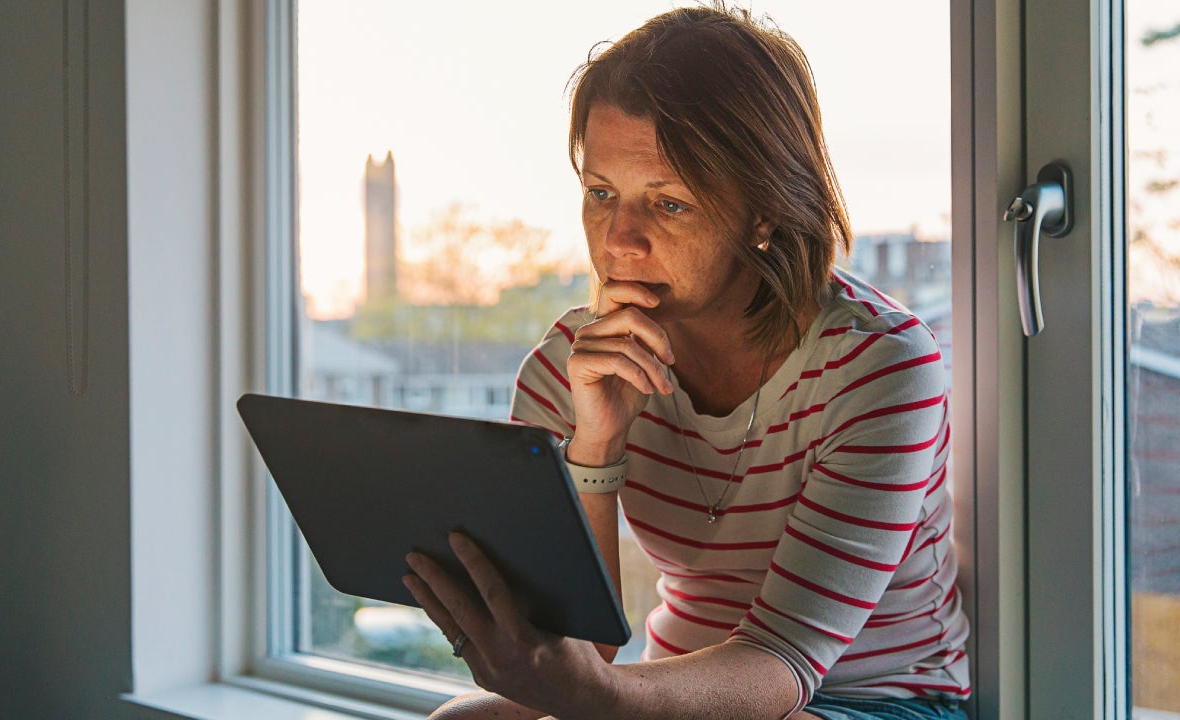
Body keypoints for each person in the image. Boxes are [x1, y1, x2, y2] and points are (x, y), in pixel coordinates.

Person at [402, 4, 971, 719]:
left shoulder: (881, 367)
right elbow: (583, 653)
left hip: (877, 698)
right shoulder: (570, 366)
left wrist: (597, 694)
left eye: (668, 204)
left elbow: (783, 661)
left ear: (764, 210)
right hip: (675, 684)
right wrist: (596, 446)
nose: (621, 241)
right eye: (601, 194)